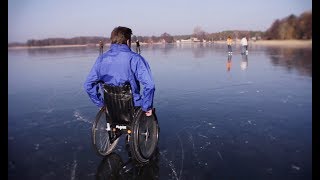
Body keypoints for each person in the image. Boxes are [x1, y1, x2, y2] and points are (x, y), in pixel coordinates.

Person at [84, 26, 155, 116]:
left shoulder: (101, 59)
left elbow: (88, 85)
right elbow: (150, 85)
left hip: (111, 109)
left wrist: (101, 104)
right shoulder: (136, 59)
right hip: (134, 108)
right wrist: (147, 107)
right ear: (128, 41)